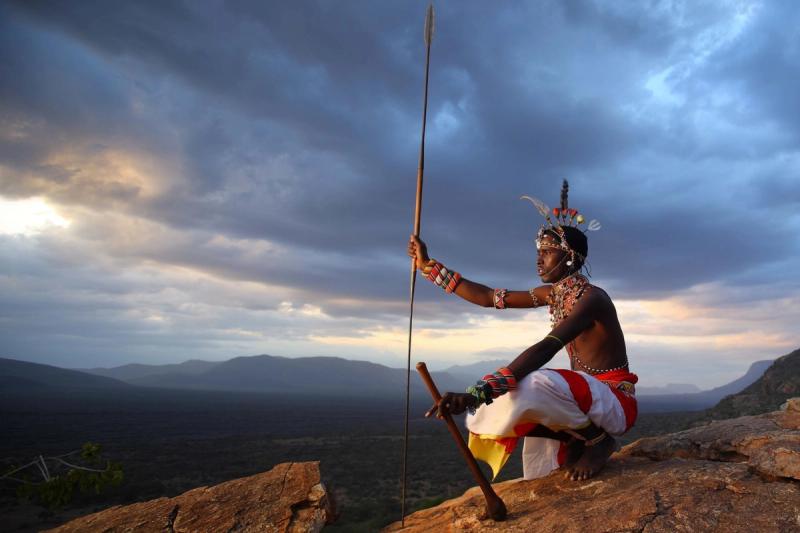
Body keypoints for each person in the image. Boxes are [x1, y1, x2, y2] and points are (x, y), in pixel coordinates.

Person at [407, 181, 637, 481]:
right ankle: (578, 437)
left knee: (535, 383)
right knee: (501, 403)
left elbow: (547, 347)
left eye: (549, 252)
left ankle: (598, 440)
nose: (539, 259)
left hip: (614, 402)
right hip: (586, 403)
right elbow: (488, 297)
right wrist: (428, 266)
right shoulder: (553, 294)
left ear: (570, 257)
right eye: (539, 251)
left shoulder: (592, 299)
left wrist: (478, 393)